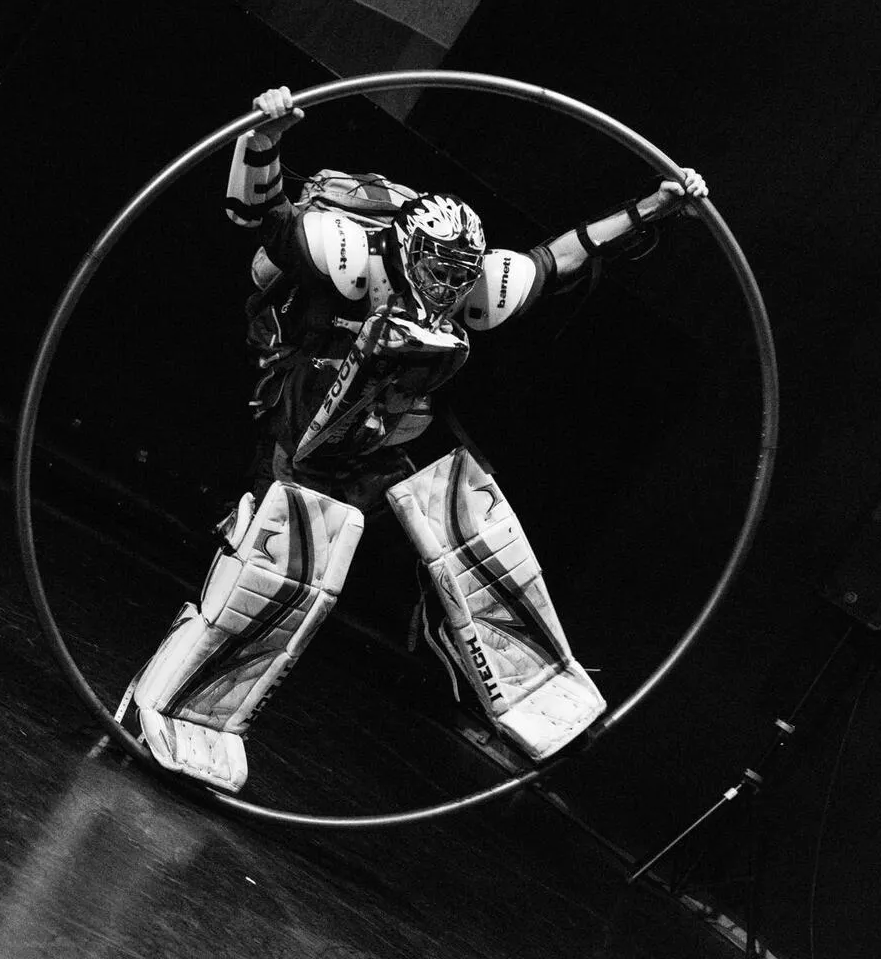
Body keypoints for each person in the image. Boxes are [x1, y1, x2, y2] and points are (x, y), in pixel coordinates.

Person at [122, 86, 709, 793]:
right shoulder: (344, 255)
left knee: (471, 523)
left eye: (459, 277)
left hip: (394, 433)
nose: (446, 289)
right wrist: (265, 140)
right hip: (307, 422)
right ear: (405, 251)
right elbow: (259, 214)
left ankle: (531, 686)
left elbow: (561, 257)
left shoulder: (479, 285)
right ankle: (172, 709)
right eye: (436, 271)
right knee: (287, 571)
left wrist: (652, 208)